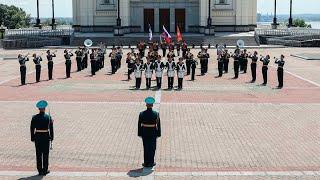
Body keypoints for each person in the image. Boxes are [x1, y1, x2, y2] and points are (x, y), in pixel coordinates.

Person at [30, 100, 54, 176]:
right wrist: (52, 137)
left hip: (37, 136)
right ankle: (45, 169)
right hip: (46, 137)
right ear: (44, 108)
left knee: (38, 154)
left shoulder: (34, 117)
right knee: (46, 154)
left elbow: (31, 128)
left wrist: (32, 137)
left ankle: (40, 170)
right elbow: (51, 129)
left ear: (39, 109)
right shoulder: (48, 117)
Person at [138, 97, 161, 168]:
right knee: (152, 147)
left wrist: (139, 133)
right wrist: (158, 134)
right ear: (152, 105)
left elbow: (139, 124)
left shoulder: (141, 113)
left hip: (144, 131)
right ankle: (151, 162)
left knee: (146, 147)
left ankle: (146, 162)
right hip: (153, 132)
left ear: (146, 105)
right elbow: (158, 125)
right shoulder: (156, 114)